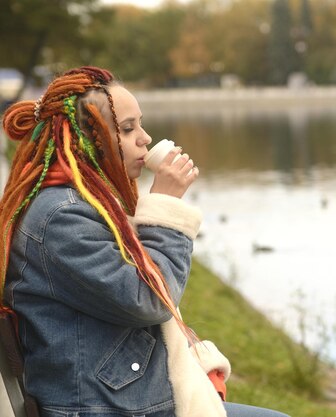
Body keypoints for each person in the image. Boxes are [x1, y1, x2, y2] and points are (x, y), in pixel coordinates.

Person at [0, 66, 288, 417]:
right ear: (86, 139)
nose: (145, 138)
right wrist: (166, 206)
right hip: (104, 408)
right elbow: (150, 299)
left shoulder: (88, 202)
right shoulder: (62, 216)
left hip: (125, 399)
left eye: (140, 124)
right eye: (127, 128)